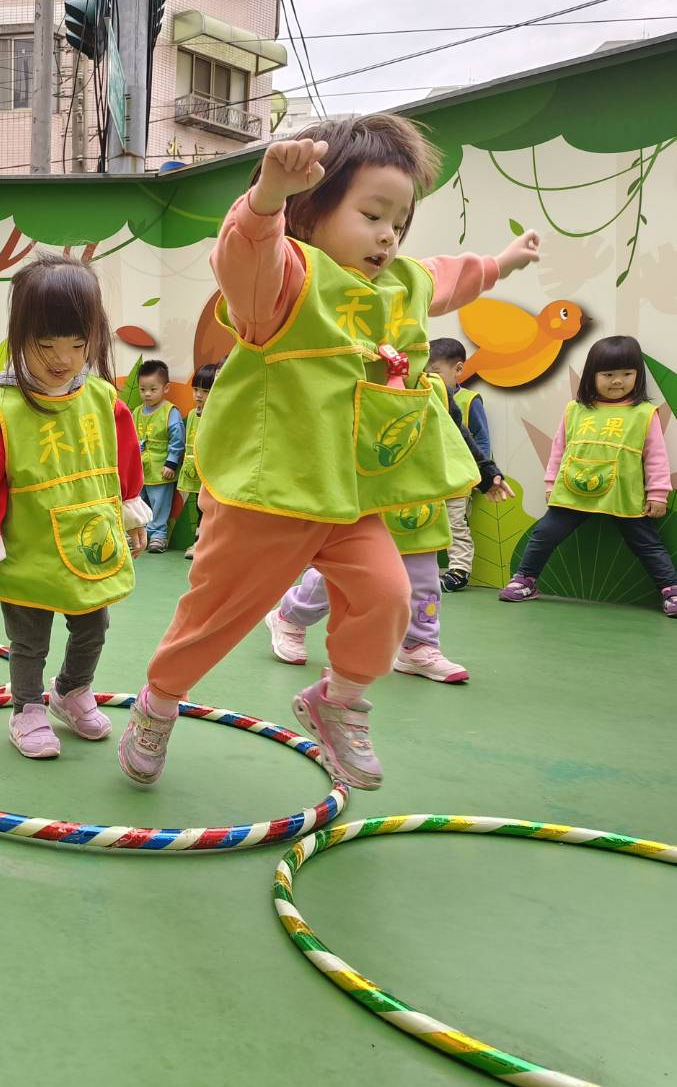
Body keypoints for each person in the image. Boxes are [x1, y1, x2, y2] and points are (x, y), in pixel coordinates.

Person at [120, 116, 542, 792]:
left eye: (398, 222)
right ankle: (158, 702)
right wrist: (266, 199)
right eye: (371, 213)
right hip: (267, 495)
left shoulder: (398, 283)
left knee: (387, 594)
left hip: (350, 495)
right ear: (311, 214)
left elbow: (450, 277)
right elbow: (240, 257)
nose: (387, 235)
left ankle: (336, 700)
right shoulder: (284, 280)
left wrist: (503, 262)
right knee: (212, 619)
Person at [0, 253, 149, 759]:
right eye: (45, 344)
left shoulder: (103, 399)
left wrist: (130, 509)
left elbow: (124, 456)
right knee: (29, 639)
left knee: (94, 623)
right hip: (28, 546)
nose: (62, 357)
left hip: (90, 540)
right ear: (20, 337)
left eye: (76, 343)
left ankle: (71, 690)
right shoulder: (4, 408)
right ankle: (26, 708)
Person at [267, 381, 514, 683]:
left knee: (425, 582)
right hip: (369, 499)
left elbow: (454, 431)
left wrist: (486, 473)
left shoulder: (431, 386)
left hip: (420, 502)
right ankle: (290, 617)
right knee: (342, 574)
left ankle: (419, 646)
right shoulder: (353, 373)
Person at [501, 335, 676, 616]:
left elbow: (656, 456)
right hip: (573, 491)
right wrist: (551, 484)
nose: (617, 381)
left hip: (623, 495)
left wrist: (658, 493)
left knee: (647, 543)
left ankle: (670, 590)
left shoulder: (644, 413)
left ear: (638, 376)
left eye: (627, 374)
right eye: (608, 374)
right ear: (592, 376)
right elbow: (559, 450)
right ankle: (525, 579)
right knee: (544, 534)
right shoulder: (576, 409)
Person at [425, 338, 490, 592]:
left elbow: (481, 438)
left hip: (459, 476)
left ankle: (460, 570)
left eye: (435, 372)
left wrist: (479, 473)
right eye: (424, 372)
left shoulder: (470, 399)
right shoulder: (424, 396)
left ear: (458, 369)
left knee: (455, 523)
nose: (428, 378)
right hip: (429, 477)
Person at [134, 359, 185, 553]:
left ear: (166, 388)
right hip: (141, 470)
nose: (147, 394)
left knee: (160, 505)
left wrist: (171, 464)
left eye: (153, 389)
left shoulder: (170, 411)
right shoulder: (137, 412)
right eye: (142, 389)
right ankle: (141, 536)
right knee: (140, 503)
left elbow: (177, 439)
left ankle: (158, 536)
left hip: (161, 470)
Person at [181, 361, 219, 560]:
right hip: (196, 470)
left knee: (213, 510)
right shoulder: (192, 415)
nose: (198, 395)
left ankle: (207, 545)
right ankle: (200, 543)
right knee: (200, 507)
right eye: (196, 389)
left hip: (215, 473)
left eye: (205, 390)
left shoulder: (218, 416)